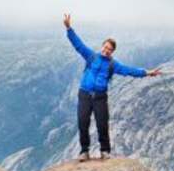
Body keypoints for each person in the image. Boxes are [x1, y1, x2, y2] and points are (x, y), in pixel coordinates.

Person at [63, 13, 162, 161]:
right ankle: (84, 151)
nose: (106, 50)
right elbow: (78, 45)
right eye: (105, 47)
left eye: (109, 49)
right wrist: (69, 28)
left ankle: (105, 151)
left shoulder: (112, 65)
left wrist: (147, 73)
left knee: (102, 124)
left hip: (100, 98)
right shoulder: (91, 56)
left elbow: (129, 70)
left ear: (112, 51)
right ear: (102, 46)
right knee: (83, 123)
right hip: (84, 94)